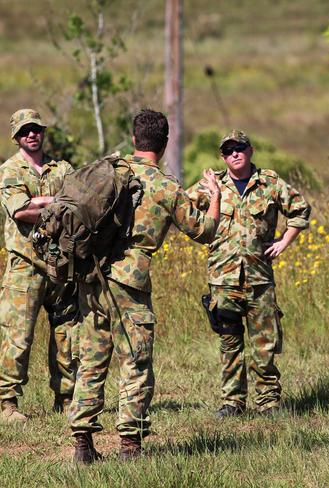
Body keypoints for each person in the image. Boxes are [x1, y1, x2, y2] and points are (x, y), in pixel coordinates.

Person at [68, 109, 221, 463]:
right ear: (165, 144)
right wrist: (214, 196)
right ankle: (130, 448)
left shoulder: (111, 169)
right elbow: (204, 231)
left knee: (91, 359)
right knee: (135, 361)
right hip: (130, 283)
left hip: (92, 277)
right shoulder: (165, 186)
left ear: (135, 140)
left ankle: (82, 445)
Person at [188, 129, 310, 418]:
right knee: (229, 343)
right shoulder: (212, 185)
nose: (235, 153)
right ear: (222, 156)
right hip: (223, 279)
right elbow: (182, 210)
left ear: (250, 150)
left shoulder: (268, 183)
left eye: (239, 148)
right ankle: (232, 402)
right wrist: (209, 210)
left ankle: (268, 401)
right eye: (228, 150)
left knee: (265, 343)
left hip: (258, 278)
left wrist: (284, 241)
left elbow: (301, 209)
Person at [0, 109, 78, 423]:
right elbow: (20, 211)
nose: (31, 135)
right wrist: (56, 204)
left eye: (36, 130)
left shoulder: (63, 168)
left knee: (67, 334)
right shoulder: (10, 170)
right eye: (25, 131)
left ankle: (66, 397)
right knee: (17, 335)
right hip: (25, 265)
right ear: (17, 137)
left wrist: (41, 203)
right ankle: (7, 404)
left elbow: (80, 203)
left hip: (60, 264)